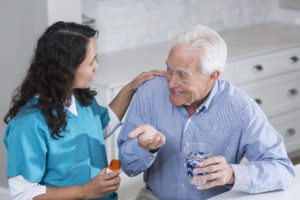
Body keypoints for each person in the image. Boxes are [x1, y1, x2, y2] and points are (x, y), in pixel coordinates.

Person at [117, 24, 295, 200]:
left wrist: (232, 174)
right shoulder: (149, 92)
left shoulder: (240, 107)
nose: (171, 83)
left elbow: (282, 170)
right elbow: (127, 166)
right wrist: (144, 148)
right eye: (169, 71)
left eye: (183, 76)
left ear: (212, 76)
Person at [3, 21, 165, 200]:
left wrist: (131, 88)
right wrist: (85, 191)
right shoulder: (28, 124)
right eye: (91, 62)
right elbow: (23, 194)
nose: (97, 67)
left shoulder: (79, 97)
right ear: (66, 69)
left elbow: (102, 126)